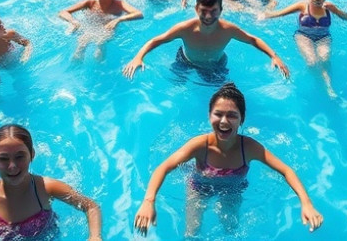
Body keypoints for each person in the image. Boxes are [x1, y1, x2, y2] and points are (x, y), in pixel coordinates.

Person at [133, 83, 323, 237]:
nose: (224, 121)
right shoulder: (199, 145)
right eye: (218, 114)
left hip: (233, 189)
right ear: (209, 116)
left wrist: (306, 203)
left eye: (232, 115)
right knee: (192, 233)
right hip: (199, 186)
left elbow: (286, 170)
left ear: (242, 120)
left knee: (230, 229)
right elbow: (163, 167)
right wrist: (149, 201)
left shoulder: (249, 148)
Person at [0, 124, 102, 241]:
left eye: (20, 156)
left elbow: (90, 206)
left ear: (32, 155)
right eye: (3, 159)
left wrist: (94, 236)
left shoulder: (47, 188)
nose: (12, 166)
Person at [122, 0, 289, 83]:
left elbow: (253, 39)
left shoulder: (228, 29)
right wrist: (139, 57)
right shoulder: (184, 28)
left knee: (218, 92)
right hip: (185, 61)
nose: (208, 16)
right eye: (204, 11)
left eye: (213, 11)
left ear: (221, 11)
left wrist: (274, 56)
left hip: (215, 65)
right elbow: (157, 40)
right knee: (175, 84)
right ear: (196, 10)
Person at [263, 0, 347, 98]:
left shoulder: (329, 7)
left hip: (323, 37)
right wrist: (263, 15)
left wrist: (337, 10)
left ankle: (328, 86)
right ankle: (319, 83)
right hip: (304, 36)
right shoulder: (302, 6)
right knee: (312, 62)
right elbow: (280, 13)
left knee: (324, 59)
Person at [58, 0, 143, 60]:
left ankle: (99, 68)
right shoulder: (90, 3)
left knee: (101, 42)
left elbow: (139, 14)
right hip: (90, 27)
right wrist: (73, 21)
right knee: (81, 44)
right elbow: (63, 12)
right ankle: (75, 69)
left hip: (107, 30)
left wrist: (118, 20)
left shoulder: (120, 4)